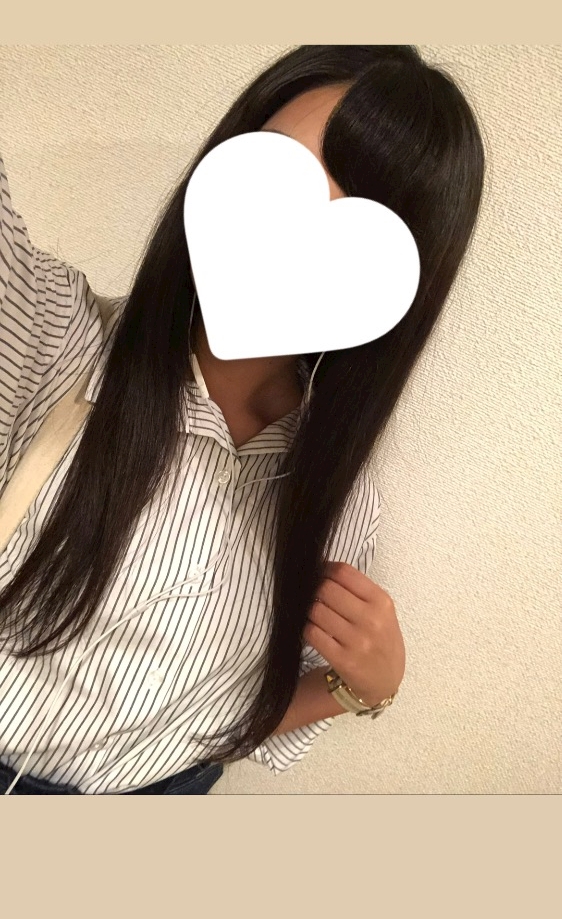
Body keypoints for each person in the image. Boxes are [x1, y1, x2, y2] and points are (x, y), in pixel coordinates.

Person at [0, 45, 485, 795]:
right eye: (272, 182)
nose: (293, 243)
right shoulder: (50, 334)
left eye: (356, 226)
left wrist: (363, 687)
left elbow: (224, 712)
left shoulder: (336, 496)